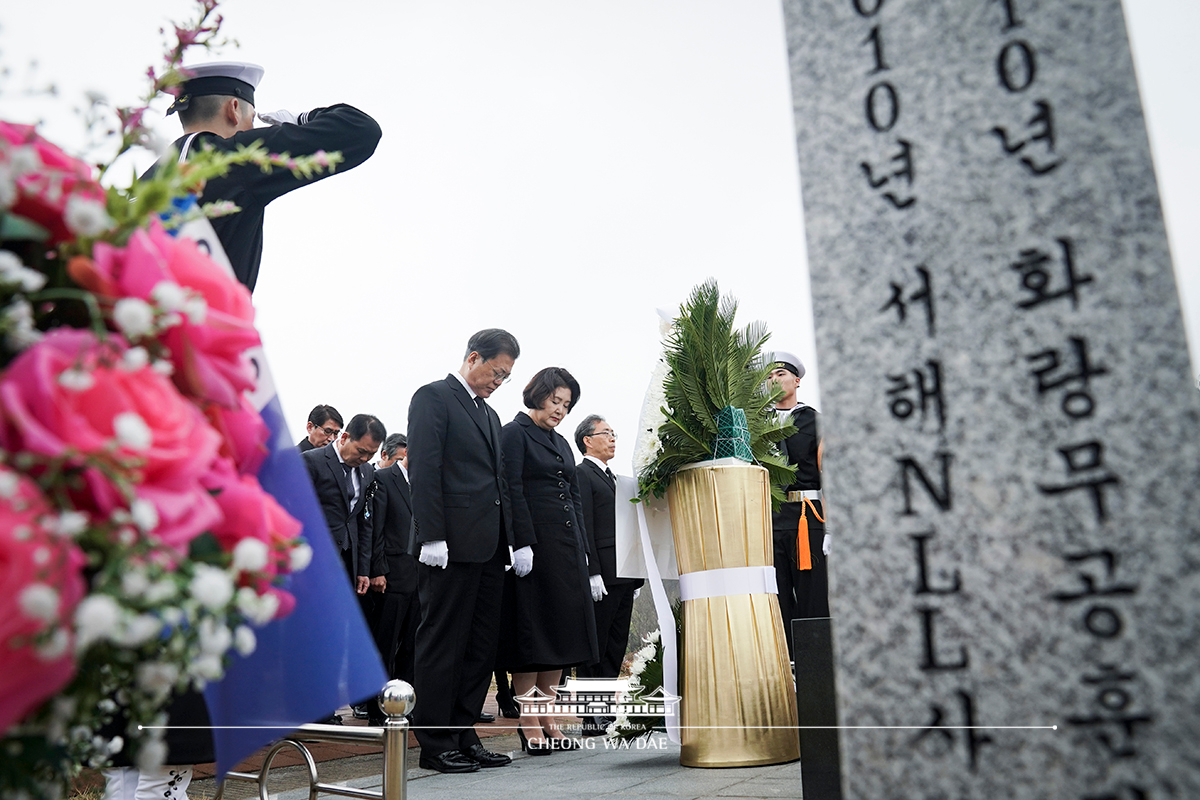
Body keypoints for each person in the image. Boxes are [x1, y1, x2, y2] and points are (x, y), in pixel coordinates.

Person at [159, 61, 382, 291]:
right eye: (252, 119)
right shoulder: (234, 158)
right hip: (204, 323)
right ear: (234, 109)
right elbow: (361, 130)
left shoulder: (147, 183)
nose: (253, 128)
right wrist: (302, 120)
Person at [407, 329, 521, 773]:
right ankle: (435, 742)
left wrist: (512, 540)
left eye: (506, 377)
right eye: (497, 372)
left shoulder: (490, 416)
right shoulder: (434, 397)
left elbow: (500, 484)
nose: (499, 381)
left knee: (479, 645)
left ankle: (463, 731)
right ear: (474, 357)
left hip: (489, 547)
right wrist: (432, 535)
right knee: (443, 642)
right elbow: (425, 466)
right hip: (449, 545)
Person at [499, 367, 598, 754]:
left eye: (567, 405)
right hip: (533, 546)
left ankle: (549, 718)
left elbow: (573, 496)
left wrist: (584, 549)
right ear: (538, 395)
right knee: (534, 632)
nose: (560, 410)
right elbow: (509, 487)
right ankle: (528, 721)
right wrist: (519, 542)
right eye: (555, 400)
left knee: (559, 633)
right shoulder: (514, 433)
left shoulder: (560, 441)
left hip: (565, 546)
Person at [302, 413, 386, 722]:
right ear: (345, 437)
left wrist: (363, 568)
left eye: (371, 455)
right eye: (361, 451)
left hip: (348, 563)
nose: (364, 458)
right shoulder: (312, 462)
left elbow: (365, 522)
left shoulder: (367, 473)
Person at [573, 414, 643, 736]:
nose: (613, 438)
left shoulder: (615, 478)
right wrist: (592, 572)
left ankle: (606, 708)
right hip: (602, 574)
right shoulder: (582, 475)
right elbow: (583, 524)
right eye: (606, 433)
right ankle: (590, 714)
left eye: (614, 433)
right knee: (595, 644)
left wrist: (636, 574)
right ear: (588, 440)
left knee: (615, 643)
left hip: (623, 574)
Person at [767, 351, 829, 658]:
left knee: (812, 596)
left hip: (809, 518)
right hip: (771, 518)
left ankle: (815, 666)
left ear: (796, 380)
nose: (774, 380)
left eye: (780, 374)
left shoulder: (815, 420)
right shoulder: (756, 423)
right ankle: (786, 665)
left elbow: (830, 471)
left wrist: (832, 527)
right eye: (768, 377)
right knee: (777, 596)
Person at [363, 433, 420, 726]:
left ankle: (406, 704)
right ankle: (377, 707)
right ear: (409, 452)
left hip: (421, 577)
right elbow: (375, 528)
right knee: (385, 644)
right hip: (391, 575)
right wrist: (377, 569)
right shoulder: (383, 478)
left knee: (413, 644)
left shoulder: (427, 483)